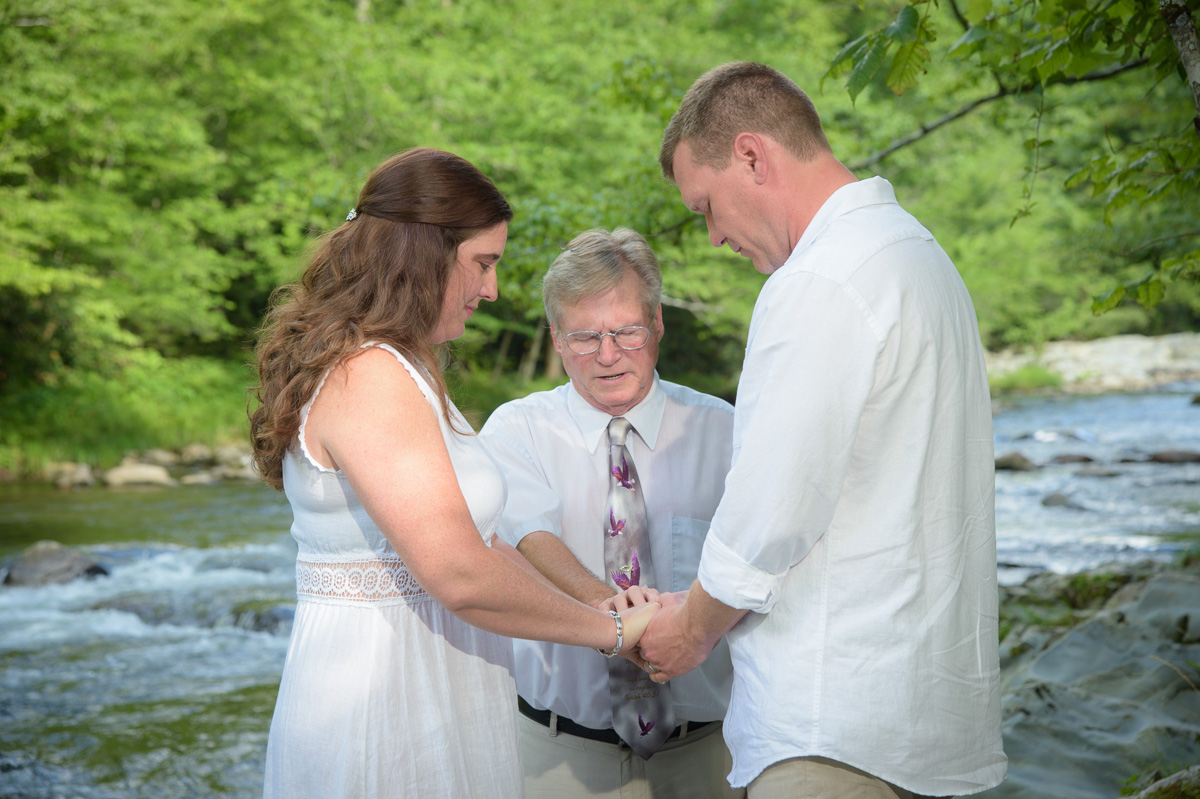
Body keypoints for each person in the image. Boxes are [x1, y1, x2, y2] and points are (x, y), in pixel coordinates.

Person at [636, 62, 1007, 798]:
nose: (711, 237)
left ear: (751, 155)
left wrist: (692, 626)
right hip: (922, 720)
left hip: (830, 732)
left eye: (706, 206)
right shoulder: (917, 255)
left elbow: (772, 510)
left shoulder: (818, 282)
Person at [249, 148, 658, 799]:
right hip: (383, 703)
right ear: (423, 253)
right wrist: (611, 633)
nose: (491, 289)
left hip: (435, 685)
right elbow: (458, 571)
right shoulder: (371, 375)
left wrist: (596, 601)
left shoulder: (406, 368)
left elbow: (479, 542)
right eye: (483, 263)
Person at [479, 227, 743, 798]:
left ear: (658, 325)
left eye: (626, 331)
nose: (607, 354)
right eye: (584, 336)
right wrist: (612, 615)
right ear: (554, 337)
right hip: (556, 760)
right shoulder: (516, 430)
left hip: (709, 756)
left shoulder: (724, 432)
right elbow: (532, 540)